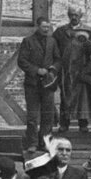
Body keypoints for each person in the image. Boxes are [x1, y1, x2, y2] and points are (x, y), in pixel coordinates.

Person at [17, 13, 63, 150]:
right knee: (32, 117)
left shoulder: (52, 42)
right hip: (32, 85)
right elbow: (22, 61)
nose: (46, 30)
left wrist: (52, 71)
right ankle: (32, 143)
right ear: (38, 26)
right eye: (43, 27)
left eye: (48, 27)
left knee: (47, 116)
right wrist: (37, 70)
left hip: (47, 85)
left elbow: (58, 60)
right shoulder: (28, 41)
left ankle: (45, 143)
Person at [53, 6, 91, 132]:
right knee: (66, 95)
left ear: (81, 16)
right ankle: (64, 123)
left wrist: (89, 44)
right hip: (66, 70)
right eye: (71, 15)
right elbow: (54, 48)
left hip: (82, 69)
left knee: (83, 97)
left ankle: (83, 124)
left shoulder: (89, 30)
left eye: (76, 15)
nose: (74, 17)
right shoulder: (61, 31)